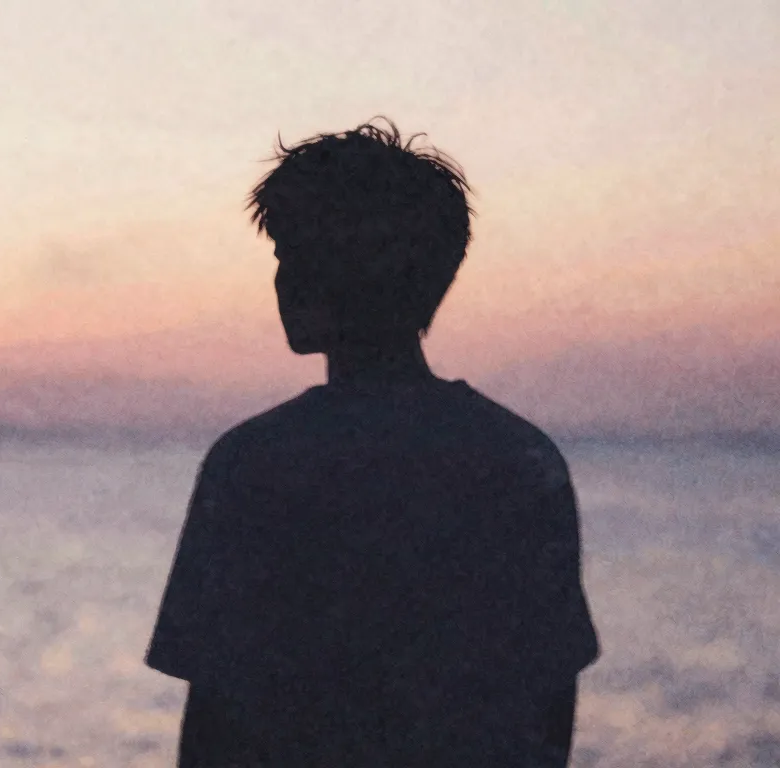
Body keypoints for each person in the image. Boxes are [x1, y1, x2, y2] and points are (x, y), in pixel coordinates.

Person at [143, 117, 601, 766]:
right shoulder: (522, 461)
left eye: (293, 256)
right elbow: (548, 715)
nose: (282, 281)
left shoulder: (256, 465)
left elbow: (215, 725)